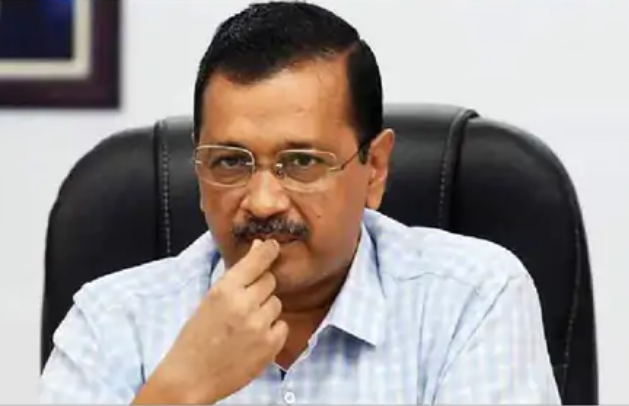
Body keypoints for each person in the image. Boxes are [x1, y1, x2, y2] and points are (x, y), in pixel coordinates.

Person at [39, 1, 560, 404]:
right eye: (230, 162)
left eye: (303, 162)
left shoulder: (470, 298)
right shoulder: (111, 321)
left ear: (375, 168)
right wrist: (180, 390)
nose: (263, 202)